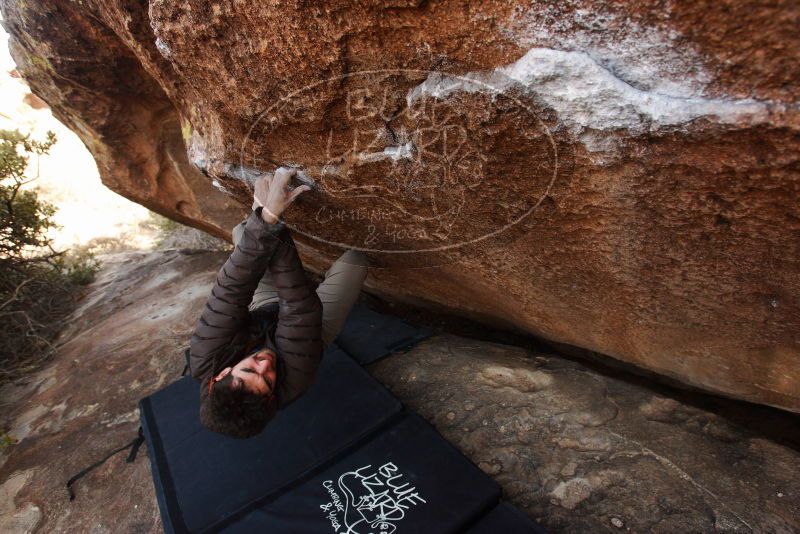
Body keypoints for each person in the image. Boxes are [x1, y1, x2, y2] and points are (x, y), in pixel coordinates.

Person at [189, 167, 368, 438]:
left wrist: (262, 217)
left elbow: (230, 291)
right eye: (266, 380)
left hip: (261, 310)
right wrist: (270, 217)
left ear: (220, 375)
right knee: (356, 261)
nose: (264, 365)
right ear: (272, 397)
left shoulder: (205, 357)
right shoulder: (295, 381)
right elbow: (300, 309)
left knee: (243, 232)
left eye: (249, 369)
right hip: (310, 330)